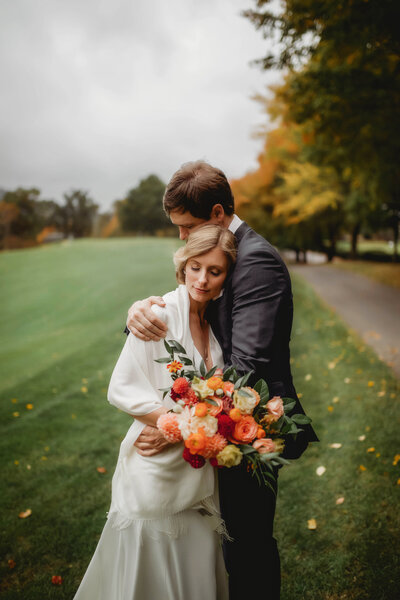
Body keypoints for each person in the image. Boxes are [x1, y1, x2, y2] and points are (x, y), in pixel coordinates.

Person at [126, 160, 319, 600]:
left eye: (187, 226)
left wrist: (178, 425)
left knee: (247, 545)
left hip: (251, 428)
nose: (182, 236)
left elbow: (245, 368)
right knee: (224, 542)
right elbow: (190, 302)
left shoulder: (257, 263)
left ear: (217, 213)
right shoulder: (225, 252)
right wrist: (141, 312)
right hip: (223, 419)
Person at [73, 225, 237, 600]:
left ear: (226, 275)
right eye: (196, 267)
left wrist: (186, 432)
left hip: (195, 471)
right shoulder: (158, 314)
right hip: (154, 470)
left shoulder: (213, 326)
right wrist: (171, 426)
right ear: (183, 265)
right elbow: (122, 387)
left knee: (194, 569)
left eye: (215, 271)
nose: (203, 279)